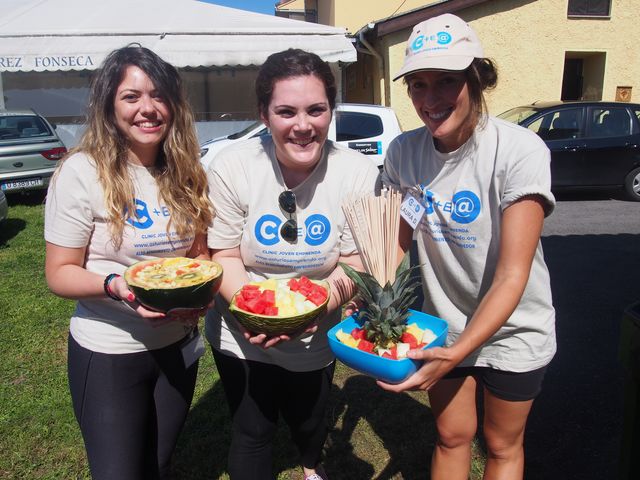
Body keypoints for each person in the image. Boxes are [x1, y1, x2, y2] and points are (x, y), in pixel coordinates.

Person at [378, 14, 557, 480]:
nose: (430, 99)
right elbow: (395, 245)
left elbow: (512, 274)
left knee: (500, 446)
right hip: (444, 329)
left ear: (476, 79)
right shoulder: (403, 152)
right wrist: (374, 306)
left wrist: (459, 353)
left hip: (515, 329)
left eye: (447, 81)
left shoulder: (518, 150)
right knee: (452, 437)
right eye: (418, 84)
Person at [204, 48, 379, 480]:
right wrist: (255, 309)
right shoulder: (232, 166)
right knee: (251, 430)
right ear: (264, 114)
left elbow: (357, 262)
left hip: (317, 328)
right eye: (286, 111)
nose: (303, 125)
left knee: (309, 421)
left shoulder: (357, 173)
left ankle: (310, 462)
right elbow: (223, 255)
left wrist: (310, 309)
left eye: (316, 110)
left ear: (330, 111)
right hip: (241, 326)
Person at [44, 46, 214, 479]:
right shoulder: (81, 172)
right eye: (131, 97)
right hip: (110, 350)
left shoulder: (187, 170)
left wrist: (202, 295)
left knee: (158, 464)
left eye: (159, 95)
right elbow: (59, 272)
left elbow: (199, 256)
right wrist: (115, 286)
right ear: (108, 106)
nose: (148, 109)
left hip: (178, 345)